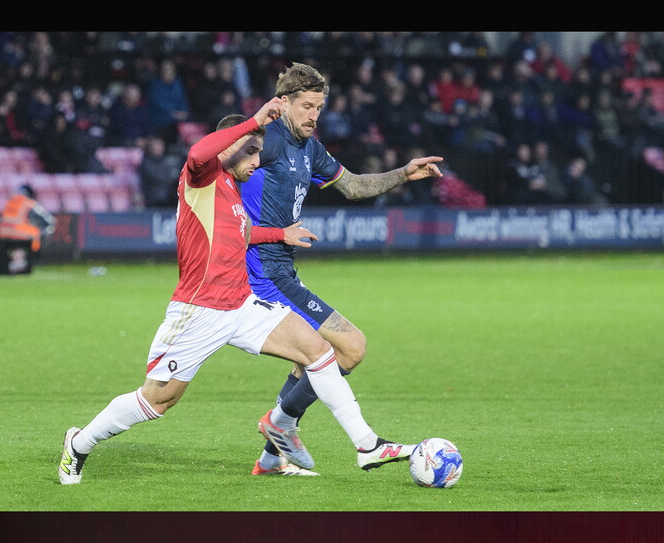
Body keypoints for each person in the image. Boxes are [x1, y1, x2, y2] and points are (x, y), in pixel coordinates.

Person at [58, 97, 415, 484]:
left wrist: (280, 234)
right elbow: (197, 150)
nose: (257, 162)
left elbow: (242, 234)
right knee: (158, 400)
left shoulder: (231, 188)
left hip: (241, 304)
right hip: (199, 309)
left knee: (318, 351)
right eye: (252, 152)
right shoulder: (201, 176)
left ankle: (367, 445)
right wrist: (255, 120)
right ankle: (79, 443)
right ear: (232, 144)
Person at [239, 62, 441, 476]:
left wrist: (405, 173)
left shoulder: (309, 148)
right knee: (349, 347)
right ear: (284, 103)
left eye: (319, 107)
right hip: (262, 275)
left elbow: (351, 186)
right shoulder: (267, 140)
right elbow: (222, 175)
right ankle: (282, 425)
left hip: (283, 272)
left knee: (305, 364)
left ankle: (271, 458)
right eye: (307, 106)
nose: (314, 115)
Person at [0, 184, 56, 254]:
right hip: (23, 239)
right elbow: (50, 221)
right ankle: (39, 255)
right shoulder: (30, 204)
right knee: (46, 229)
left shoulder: (7, 204)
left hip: (3, 237)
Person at [138, 136, 183, 208]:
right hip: (153, 201)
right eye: (155, 145)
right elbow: (160, 178)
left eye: (160, 144)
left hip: (171, 200)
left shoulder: (168, 160)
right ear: (150, 147)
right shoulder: (146, 163)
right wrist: (172, 175)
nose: (158, 147)